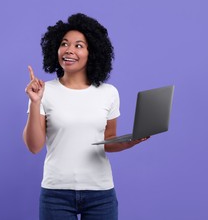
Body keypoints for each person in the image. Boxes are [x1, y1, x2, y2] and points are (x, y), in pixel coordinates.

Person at [23, 13, 149, 220]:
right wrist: (35, 102)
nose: (69, 50)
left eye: (79, 45)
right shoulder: (43, 91)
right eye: (64, 44)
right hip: (56, 193)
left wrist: (130, 142)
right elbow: (34, 146)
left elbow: (107, 142)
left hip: (100, 193)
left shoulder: (109, 93)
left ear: (93, 53)